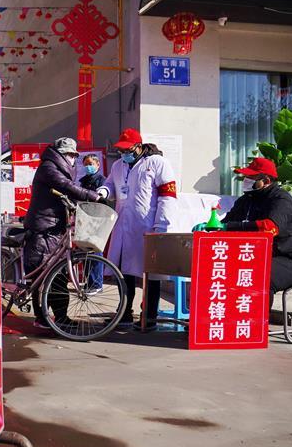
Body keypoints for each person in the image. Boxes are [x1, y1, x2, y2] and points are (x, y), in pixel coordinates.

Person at [197, 157, 292, 306]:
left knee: (258, 274)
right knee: (219, 270)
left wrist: (228, 227)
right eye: (246, 176)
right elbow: (224, 224)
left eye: (251, 177)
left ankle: (258, 320)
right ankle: (224, 316)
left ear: (266, 180)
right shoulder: (245, 200)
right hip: (258, 257)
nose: (246, 180)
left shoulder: (281, 199)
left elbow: (269, 228)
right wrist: (210, 228)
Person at [97, 128, 177, 330]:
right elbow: (110, 185)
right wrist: (103, 191)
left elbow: (168, 197)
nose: (124, 153)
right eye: (121, 150)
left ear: (139, 146)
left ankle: (149, 317)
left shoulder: (157, 163)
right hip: (124, 225)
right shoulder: (118, 165)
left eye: (128, 149)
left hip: (148, 226)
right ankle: (123, 313)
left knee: (150, 274)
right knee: (124, 272)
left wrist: (161, 225)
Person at [23, 137, 101, 328]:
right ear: (60, 154)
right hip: (43, 228)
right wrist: (92, 196)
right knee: (42, 274)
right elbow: (65, 186)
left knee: (57, 274)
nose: (72, 159)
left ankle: (60, 317)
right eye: (69, 155)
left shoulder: (59, 168)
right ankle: (42, 317)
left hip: (55, 227)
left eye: (74, 155)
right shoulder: (48, 168)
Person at [79, 154, 106, 293]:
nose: (88, 167)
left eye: (90, 164)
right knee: (86, 252)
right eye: (85, 164)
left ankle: (96, 284)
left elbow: (103, 201)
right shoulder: (84, 181)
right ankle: (89, 282)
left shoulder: (102, 181)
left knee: (95, 251)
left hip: (97, 220)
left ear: (97, 164)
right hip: (85, 219)